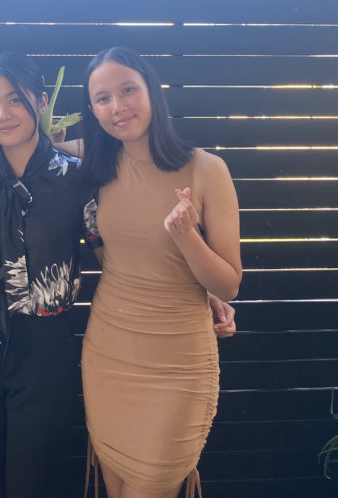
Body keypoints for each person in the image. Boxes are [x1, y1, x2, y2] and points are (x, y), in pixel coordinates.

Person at [0, 52, 236, 498]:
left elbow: (118, 249)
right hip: (16, 339)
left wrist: (201, 280)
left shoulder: (89, 174)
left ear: (41, 102)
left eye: (15, 99)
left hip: (80, 343)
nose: (3, 114)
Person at [81, 47, 242, 498]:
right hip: (109, 352)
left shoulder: (206, 169)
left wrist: (187, 236)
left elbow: (229, 284)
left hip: (178, 363)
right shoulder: (95, 165)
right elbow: (34, 145)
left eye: (128, 90)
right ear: (92, 110)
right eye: (102, 98)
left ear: (152, 90)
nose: (117, 107)